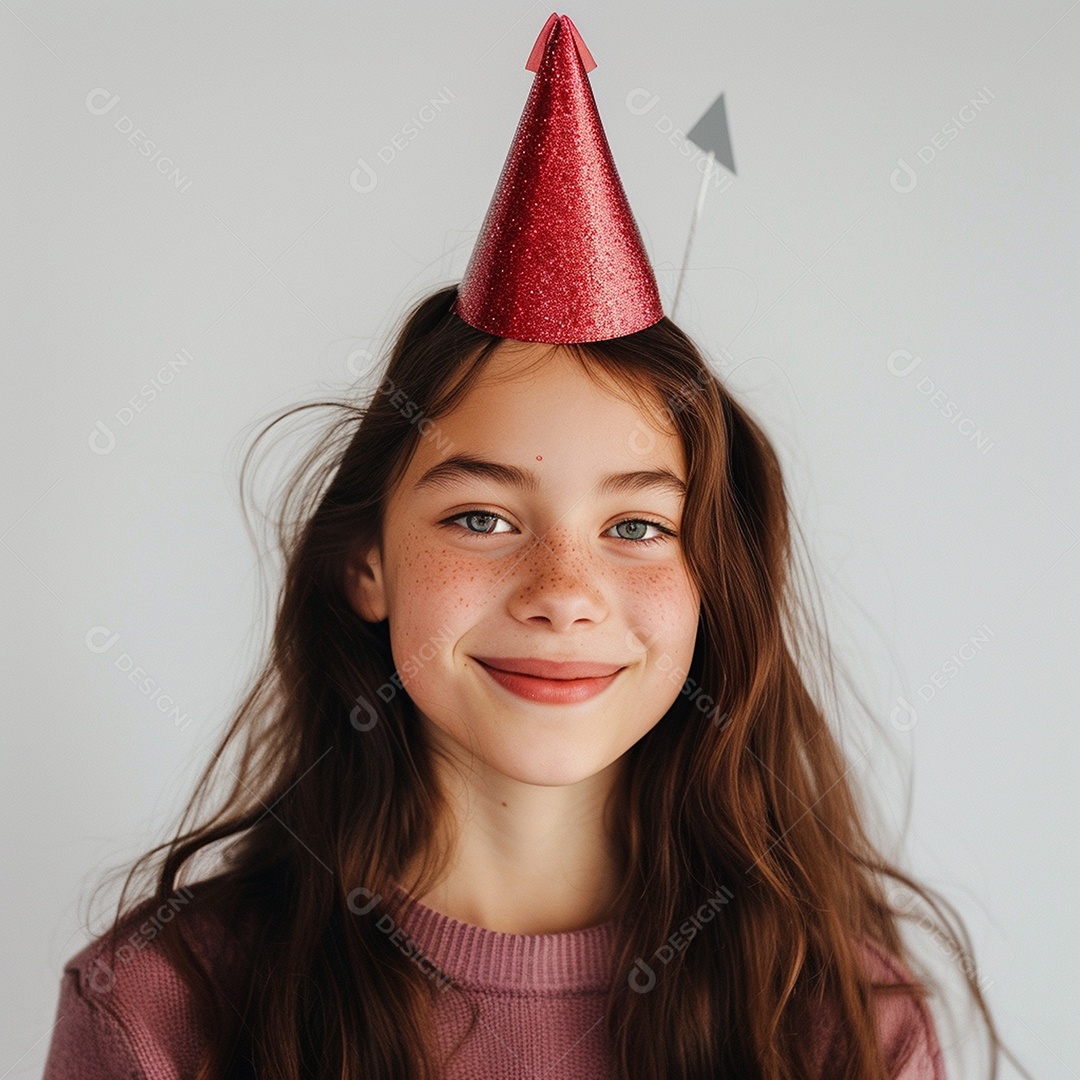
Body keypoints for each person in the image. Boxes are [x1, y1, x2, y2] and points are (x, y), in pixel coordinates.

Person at [42, 13, 1027, 1080]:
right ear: (364, 564)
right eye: (482, 518)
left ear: (712, 590)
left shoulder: (839, 1024)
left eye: (639, 527)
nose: (564, 592)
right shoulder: (160, 1009)